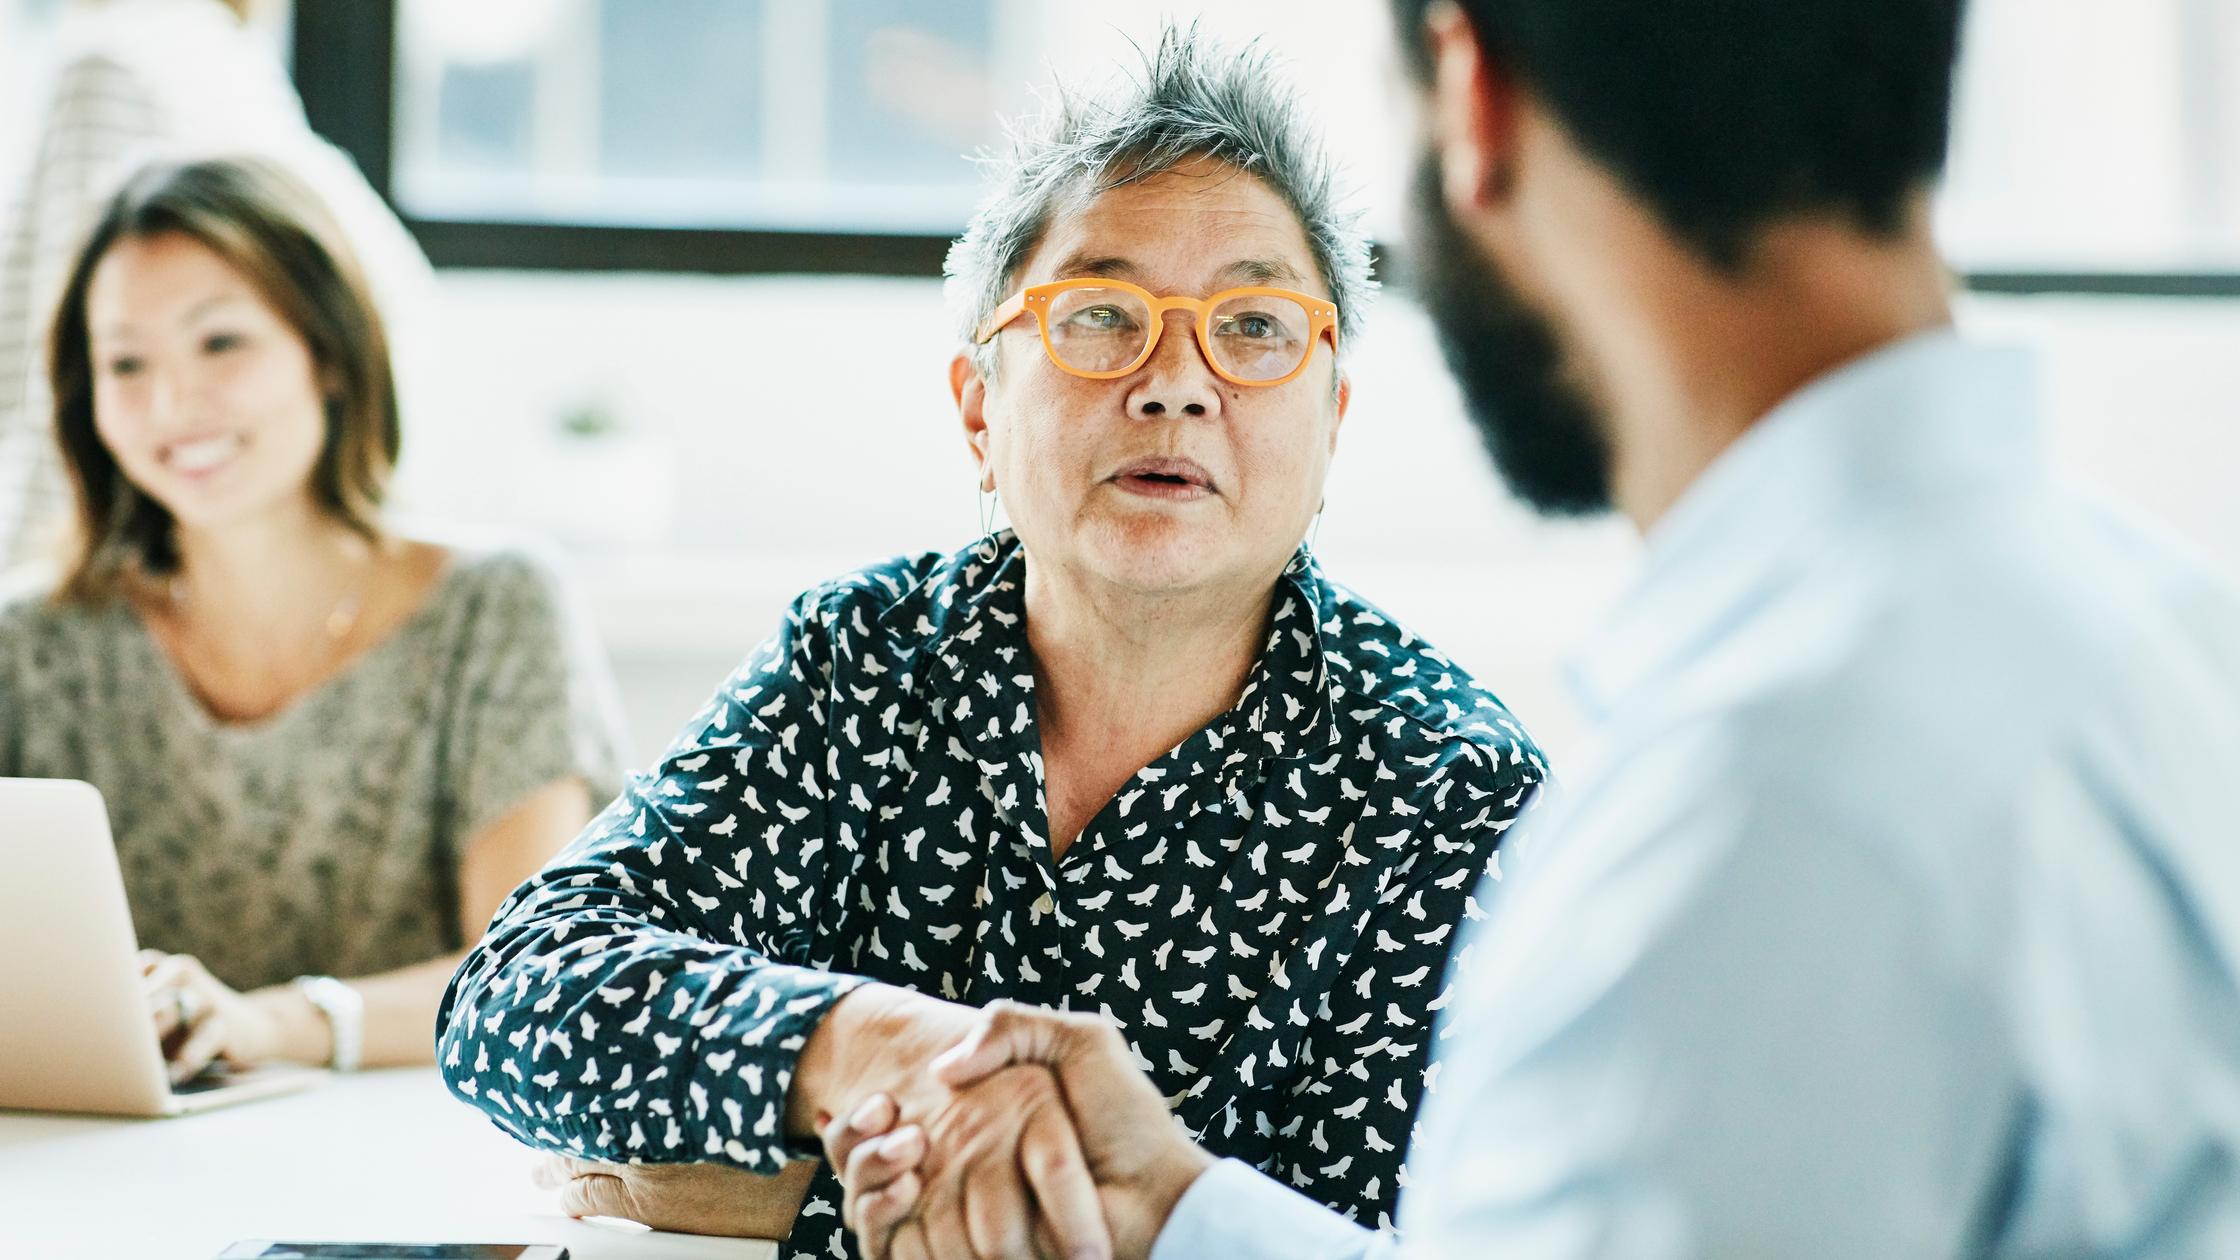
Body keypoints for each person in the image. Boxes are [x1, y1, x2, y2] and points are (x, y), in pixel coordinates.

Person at [830, 0, 2240, 1257]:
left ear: (1471, 95)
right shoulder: (2172, 640)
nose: (1180, 383)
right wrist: (1181, 1209)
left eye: (1258, 324)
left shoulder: (1754, 825)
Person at [434, 29, 1547, 1260]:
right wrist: (870, 1048)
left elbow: (1392, 1236)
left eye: (1252, 326)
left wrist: (812, 1207)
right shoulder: (861, 658)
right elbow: (518, 992)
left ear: (1329, 422)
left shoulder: (1454, 790)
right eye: (1099, 315)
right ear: (979, 409)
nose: (1175, 382)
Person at [0, 156, 624, 1083]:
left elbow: (532, 975)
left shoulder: (496, 607)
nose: (172, 403)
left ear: (327, 353)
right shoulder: (33, 643)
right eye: (126, 363)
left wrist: (274, 1024)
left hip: (422, 1158)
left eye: (220, 344)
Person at [0, 0, 435, 569]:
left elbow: (49, 385)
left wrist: (40, 599)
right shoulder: (245, 79)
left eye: (222, 343)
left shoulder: (114, 67)